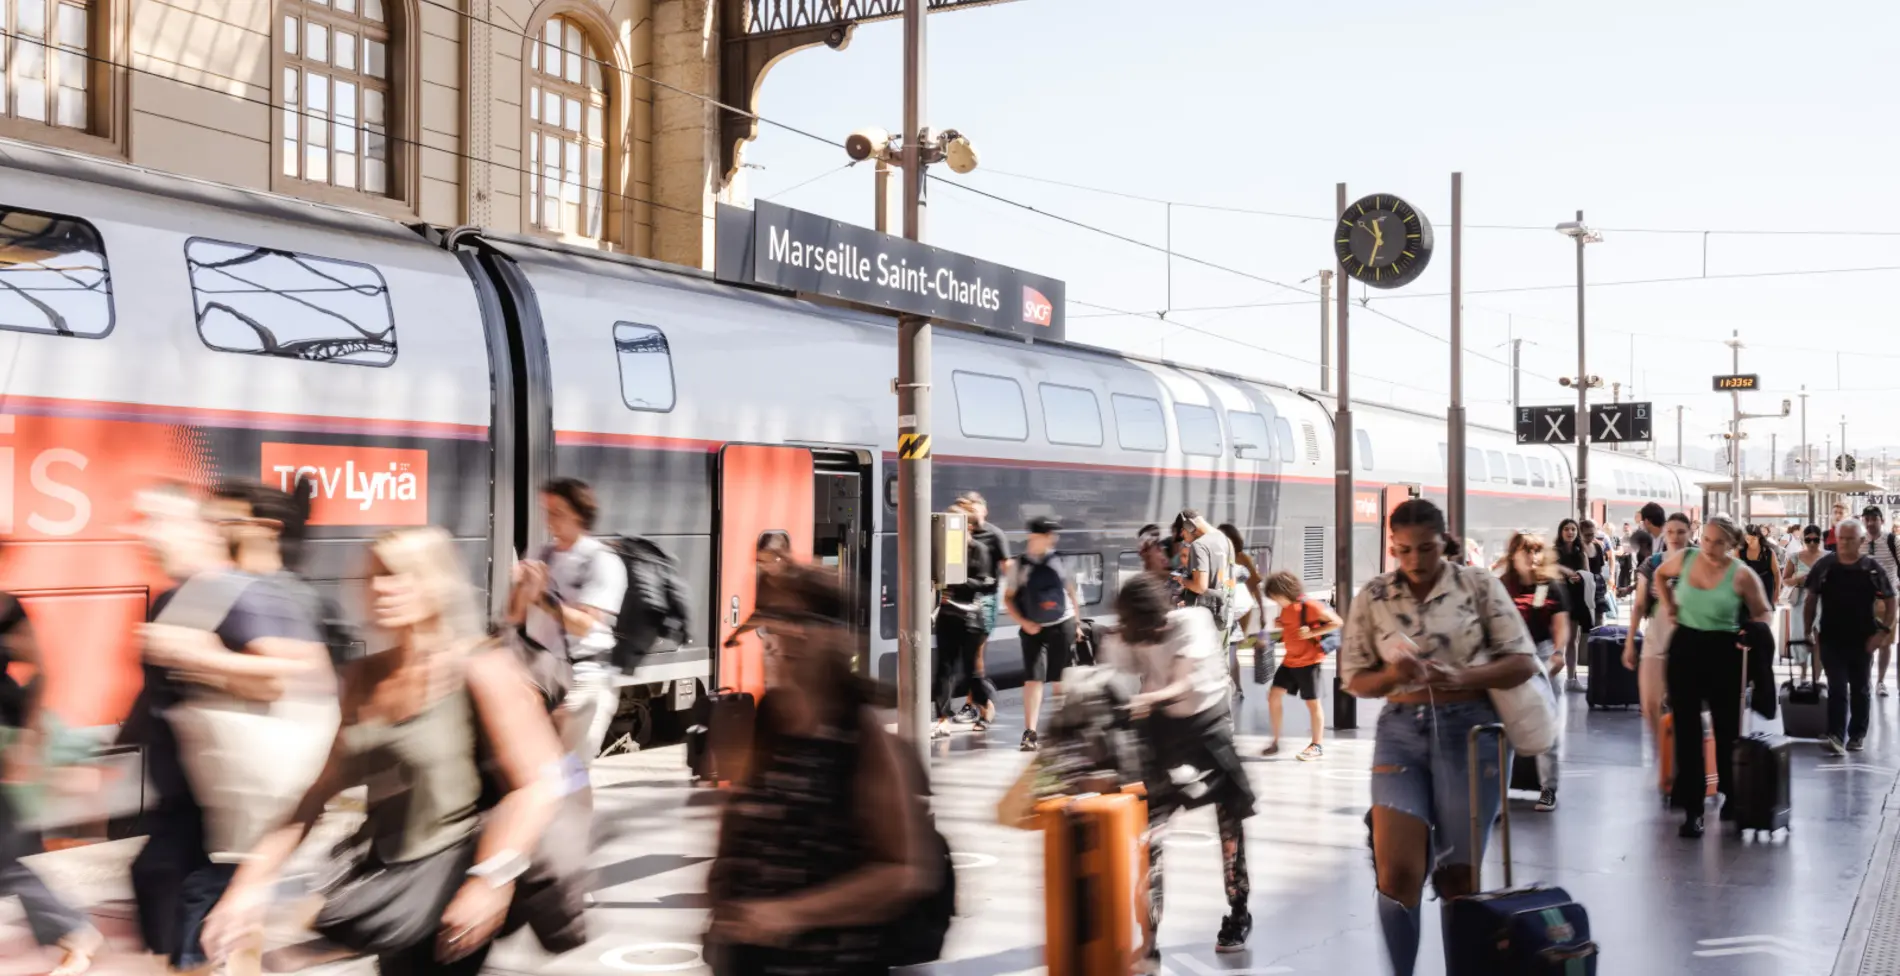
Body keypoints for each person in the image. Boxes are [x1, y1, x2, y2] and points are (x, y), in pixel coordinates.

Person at [203, 527, 568, 976]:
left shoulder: (478, 667)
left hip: (453, 887)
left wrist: (491, 879)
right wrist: (247, 888)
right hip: (391, 888)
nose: (379, 588)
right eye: (372, 576)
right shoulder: (362, 679)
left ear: (435, 583)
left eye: (397, 575)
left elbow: (538, 783)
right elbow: (318, 794)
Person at [123, 487, 330, 976]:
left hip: (222, 806)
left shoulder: (236, 590)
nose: (142, 533)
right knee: (175, 901)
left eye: (157, 520)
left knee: (198, 914)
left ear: (200, 530)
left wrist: (196, 657)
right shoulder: (185, 594)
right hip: (191, 795)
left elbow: (299, 669)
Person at [1341, 499, 1540, 976]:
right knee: (1397, 872)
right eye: (1403, 550)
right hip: (1400, 733)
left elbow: (1523, 661)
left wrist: (1459, 676)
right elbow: (1353, 678)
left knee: (1457, 877)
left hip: (1471, 732)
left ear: (1445, 542)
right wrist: (1392, 675)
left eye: (1425, 549)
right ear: (1392, 545)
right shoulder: (1374, 596)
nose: (1414, 561)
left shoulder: (1478, 586)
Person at [705, 564, 936, 975]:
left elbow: (903, 871)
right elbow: (738, 817)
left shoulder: (861, 736)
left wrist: (790, 914)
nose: (782, 639)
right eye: (774, 626)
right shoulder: (770, 720)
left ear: (833, 636)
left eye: (799, 623)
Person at [1100, 573, 1256, 960]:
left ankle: (1238, 912)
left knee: (1229, 825)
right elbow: (1111, 676)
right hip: (1160, 731)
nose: (1144, 642)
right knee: (1150, 835)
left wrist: (1145, 700)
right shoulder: (1132, 633)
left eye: (1146, 632)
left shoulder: (1194, 623)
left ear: (1160, 617)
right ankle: (1149, 934)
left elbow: (1179, 685)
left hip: (1207, 726)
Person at [0, 577, 105, 976]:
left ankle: (75, 931)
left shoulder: (6, 607)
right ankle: (73, 930)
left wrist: (28, 737)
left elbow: (43, 668)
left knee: (5, 858)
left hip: (4, 737)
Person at [1652, 514, 1774, 838]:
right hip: (1685, 647)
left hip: (1724, 651)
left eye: (1718, 542)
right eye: (1705, 539)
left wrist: (1752, 631)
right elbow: (1660, 575)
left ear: (1732, 545)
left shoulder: (1741, 574)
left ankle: (1731, 797)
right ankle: (1693, 810)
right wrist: (1671, 608)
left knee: (1726, 730)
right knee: (1687, 731)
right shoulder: (1686, 558)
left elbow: (1764, 611)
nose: (1709, 547)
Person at [507, 478, 627, 761]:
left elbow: (584, 624)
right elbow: (514, 615)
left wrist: (541, 598)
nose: (549, 520)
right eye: (546, 511)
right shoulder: (542, 554)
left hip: (585, 680)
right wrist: (521, 589)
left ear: (578, 513)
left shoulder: (601, 561)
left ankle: (575, 805)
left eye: (556, 512)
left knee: (571, 772)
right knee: (539, 771)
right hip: (543, 677)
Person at [1803, 518, 1896, 755]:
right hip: (1831, 638)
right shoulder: (1824, 566)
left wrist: (1883, 632)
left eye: (1849, 539)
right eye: (1840, 538)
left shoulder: (1871, 568)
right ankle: (1836, 734)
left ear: (1861, 541)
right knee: (1836, 686)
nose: (1843, 543)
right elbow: (1811, 598)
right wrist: (1807, 630)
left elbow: (1890, 599)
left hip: (1862, 639)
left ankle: (1857, 734)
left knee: (1860, 688)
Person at [1498, 532, 1570, 812]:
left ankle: (1548, 788)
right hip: (1512, 653)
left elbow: (1560, 624)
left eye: (1537, 551)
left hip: (1542, 652)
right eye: (1527, 551)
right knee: (1504, 726)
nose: (1532, 557)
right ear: (1513, 554)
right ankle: (1499, 792)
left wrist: (1558, 653)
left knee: (1547, 721)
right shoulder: (1503, 586)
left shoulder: (1550, 586)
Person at [1006, 516, 1082, 752]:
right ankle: (1030, 733)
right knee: (1033, 679)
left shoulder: (1061, 561)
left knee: (1060, 680)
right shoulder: (1018, 565)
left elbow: (1072, 594)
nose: (1053, 539)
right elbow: (1008, 598)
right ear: (1034, 536)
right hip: (1033, 628)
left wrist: (1077, 624)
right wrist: (1024, 623)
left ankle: (1061, 731)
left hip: (1063, 623)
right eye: (1048, 534)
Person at [1626, 508, 1689, 759]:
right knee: (1650, 703)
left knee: (1681, 703)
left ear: (1690, 532)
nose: (1675, 536)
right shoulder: (1652, 563)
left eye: (1681, 532)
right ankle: (1663, 754)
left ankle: (1682, 756)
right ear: (1664, 532)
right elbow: (1640, 604)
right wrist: (1630, 641)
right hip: (1656, 635)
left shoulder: (1698, 561)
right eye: (1670, 531)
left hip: (1687, 637)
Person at [1259, 571, 1340, 761]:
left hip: (1309, 662)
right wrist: (1280, 627)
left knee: (1312, 703)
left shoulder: (1310, 605)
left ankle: (1316, 745)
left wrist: (1313, 632)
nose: (1275, 601)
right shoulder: (1287, 609)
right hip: (1290, 661)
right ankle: (1276, 741)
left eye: (1275, 597)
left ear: (1284, 591)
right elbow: (1291, 629)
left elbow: (1337, 622)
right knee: (1273, 696)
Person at [933, 503, 995, 738]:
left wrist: (958, 579)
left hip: (970, 616)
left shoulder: (979, 549)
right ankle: (942, 718)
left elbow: (984, 583)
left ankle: (985, 708)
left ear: (967, 527)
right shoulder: (942, 550)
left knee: (971, 671)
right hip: (948, 614)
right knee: (944, 669)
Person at [955, 493, 1011, 724]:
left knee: (975, 655)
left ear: (984, 511)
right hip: (960, 598)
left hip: (984, 600)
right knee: (963, 655)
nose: (971, 512)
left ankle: (975, 704)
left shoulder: (995, 534)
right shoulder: (957, 531)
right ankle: (978, 701)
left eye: (975, 508)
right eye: (968, 508)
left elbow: (1007, 567)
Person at [1219, 524, 1265, 695]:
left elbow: (1254, 586)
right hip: (1224, 610)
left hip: (1238, 612)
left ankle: (1235, 687)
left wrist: (1262, 611)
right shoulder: (1217, 557)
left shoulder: (1242, 559)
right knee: (1229, 650)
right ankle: (1235, 687)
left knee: (1231, 649)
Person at [1860, 506, 1900, 697]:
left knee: (1885, 641)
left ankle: (1881, 681)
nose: (1870, 523)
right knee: (1863, 642)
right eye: (1866, 519)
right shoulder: (1859, 542)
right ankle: (1864, 680)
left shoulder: (1893, 541)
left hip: (1888, 600)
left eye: (1874, 519)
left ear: (1881, 520)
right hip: (1863, 600)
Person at [1177, 510, 1234, 631]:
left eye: (1181, 530)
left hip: (1205, 623)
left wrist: (1183, 581)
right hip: (1225, 617)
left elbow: (1200, 587)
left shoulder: (1199, 545)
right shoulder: (1226, 541)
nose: (1182, 536)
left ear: (1189, 525)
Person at [1783, 524, 1825, 684]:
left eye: (1815, 539)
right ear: (1803, 540)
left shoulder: (1828, 557)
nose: (1812, 543)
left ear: (1820, 540)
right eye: (1808, 540)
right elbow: (1785, 580)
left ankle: (1816, 678)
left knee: (1819, 637)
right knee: (1800, 637)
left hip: (1821, 600)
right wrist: (1797, 580)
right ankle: (1802, 674)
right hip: (1800, 600)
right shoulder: (1794, 557)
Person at [1553, 518, 1591, 692]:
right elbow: (1549, 569)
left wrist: (1580, 576)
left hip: (1576, 598)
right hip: (1558, 597)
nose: (1570, 532)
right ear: (1561, 532)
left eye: (1573, 530)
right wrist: (1567, 573)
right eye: (1567, 529)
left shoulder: (1580, 552)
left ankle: (1571, 678)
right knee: (1557, 639)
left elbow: (1587, 574)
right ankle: (1552, 677)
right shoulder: (1554, 552)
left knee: (1572, 640)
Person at [1741, 524, 1782, 608]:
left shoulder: (1768, 552)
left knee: (1765, 615)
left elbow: (1777, 573)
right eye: (1747, 538)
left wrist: (1777, 591)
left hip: (1766, 586)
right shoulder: (1740, 551)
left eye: (1753, 539)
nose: (1750, 542)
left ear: (1759, 537)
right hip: (1746, 588)